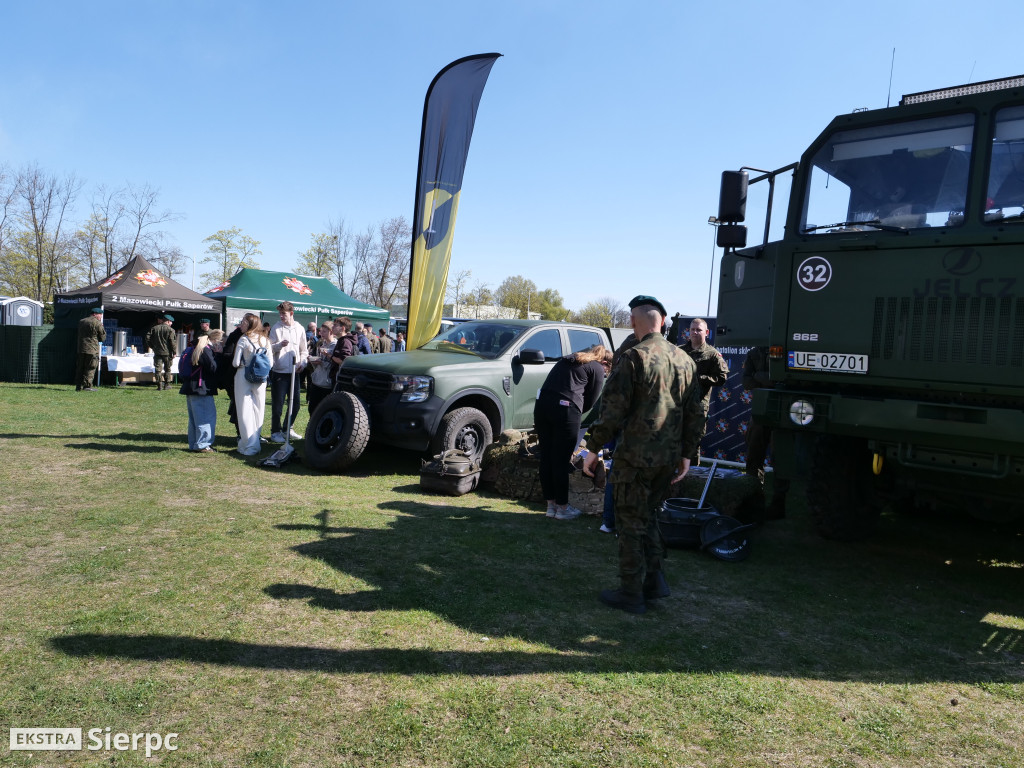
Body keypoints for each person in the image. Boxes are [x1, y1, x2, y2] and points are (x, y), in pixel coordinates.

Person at [583, 295, 705, 614]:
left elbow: (611, 409)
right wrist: (688, 455)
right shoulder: (685, 359)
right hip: (668, 458)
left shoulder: (634, 356)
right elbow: (696, 413)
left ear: (634, 323)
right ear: (662, 322)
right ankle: (655, 582)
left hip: (636, 457)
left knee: (630, 524)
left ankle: (631, 593)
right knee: (649, 517)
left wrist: (591, 448)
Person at [535, 344, 612, 521]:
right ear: (605, 363)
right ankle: (562, 509)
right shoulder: (597, 368)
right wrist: (576, 412)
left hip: (542, 406)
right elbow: (592, 400)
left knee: (546, 457)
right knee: (561, 460)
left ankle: (551, 506)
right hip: (566, 410)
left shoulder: (571, 358)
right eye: (608, 370)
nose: (606, 373)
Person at [742, 345, 789, 519]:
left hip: (784, 413)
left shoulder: (789, 349)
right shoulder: (755, 353)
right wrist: (770, 379)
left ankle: (779, 502)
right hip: (761, 412)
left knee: (781, 459)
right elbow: (746, 382)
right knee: (754, 456)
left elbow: (787, 381)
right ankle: (752, 497)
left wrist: (759, 376)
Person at [680, 317, 729, 461]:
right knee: (673, 441)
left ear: (706, 332)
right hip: (678, 404)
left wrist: (699, 378)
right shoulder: (679, 351)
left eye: (698, 330)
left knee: (693, 444)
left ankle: (692, 477)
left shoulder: (712, 354)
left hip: (698, 406)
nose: (695, 332)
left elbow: (722, 377)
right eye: (692, 330)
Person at [268, 301, 308, 443]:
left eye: (283, 313)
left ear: (291, 313)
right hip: (279, 371)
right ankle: (275, 431)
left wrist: (302, 364)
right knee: (278, 404)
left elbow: (304, 351)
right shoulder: (276, 328)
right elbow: (269, 348)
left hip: (295, 372)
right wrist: (279, 345)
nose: (281, 316)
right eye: (280, 313)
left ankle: (287, 428)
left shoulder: (300, 328)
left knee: (295, 404)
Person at [232, 313, 271, 456]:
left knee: (244, 411)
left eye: (242, 322)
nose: (240, 324)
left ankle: (249, 445)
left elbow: (235, 363)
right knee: (258, 410)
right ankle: (252, 443)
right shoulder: (265, 340)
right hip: (261, 377)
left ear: (249, 324)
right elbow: (270, 363)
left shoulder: (243, 339)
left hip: (244, 375)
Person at [179, 329, 223, 453]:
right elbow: (212, 367)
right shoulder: (206, 349)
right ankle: (203, 444)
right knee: (205, 417)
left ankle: (194, 443)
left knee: (194, 419)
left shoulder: (196, 347)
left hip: (191, 387)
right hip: (201, 388)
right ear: (215, 340)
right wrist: (218, 355)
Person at [217, 322, 244, 437]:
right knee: (238, 406)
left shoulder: (254, 336)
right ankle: (240, 433)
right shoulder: (235, 336)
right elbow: (227, 354)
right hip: (233, 377)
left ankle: (246, 433)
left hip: (246, 378)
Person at [306, 321, 337, 415]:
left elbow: (334, 364)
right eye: (321, 331)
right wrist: (313, 361)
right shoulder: (322, 344)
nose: (320, 333)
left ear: (331, 332)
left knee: (323, 411)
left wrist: (321, 362)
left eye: (324, 331)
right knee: (312, 409)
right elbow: (318, 365)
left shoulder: (335, 346)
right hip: (317, 381)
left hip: (327, 384)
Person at [74, 306, 106, 391]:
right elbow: (102, 338)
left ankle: (78, 386)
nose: (101, 317)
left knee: (80, 367)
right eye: (100, 315)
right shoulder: (97, 323)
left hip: (81, 348)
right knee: (90, 367)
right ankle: (87, 386)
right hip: (92, 349)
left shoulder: (82, 321)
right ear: (95, 314)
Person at [145, 314, 177, 390]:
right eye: (171, 322)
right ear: (168, 321)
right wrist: (174, 352)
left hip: (157, 352)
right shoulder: (171, 330)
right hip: (167, 353)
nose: (171, 323)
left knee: (158, 369)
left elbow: (147, 338)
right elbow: (172, 342)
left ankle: (159, 385)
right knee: (167, 369)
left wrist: (152, 346)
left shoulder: (154, 328)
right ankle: (167, 385)